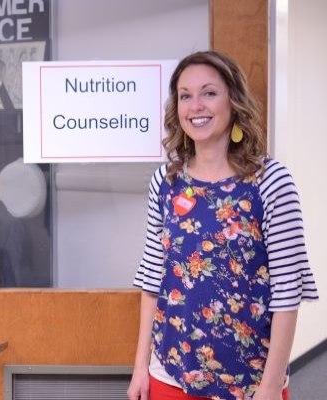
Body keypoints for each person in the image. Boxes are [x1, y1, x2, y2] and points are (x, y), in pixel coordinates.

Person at [127, 51, 319, 400]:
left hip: (251, 384)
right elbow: (153, 277)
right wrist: (141, 366)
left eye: (209, 92)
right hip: (169, 374)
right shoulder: (165, 182)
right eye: (185, 95)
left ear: (234, 101)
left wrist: (272, 385)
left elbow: (287, 291)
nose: (195, 105)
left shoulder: (271, 182)